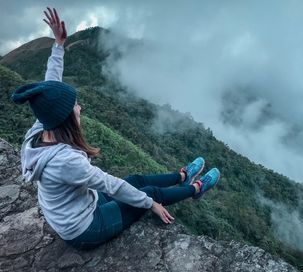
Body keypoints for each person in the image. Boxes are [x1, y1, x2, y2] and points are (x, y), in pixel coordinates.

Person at [11, 7, 220, 250]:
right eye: (74, 106)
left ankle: (182, 176)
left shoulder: (40, 130)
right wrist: (150, 204)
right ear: (66, 118)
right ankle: (195, 189)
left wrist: (59, 44)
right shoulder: (66, 160)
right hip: (85, 228)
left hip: (78, 206)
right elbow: (111, 185)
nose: (79, 108)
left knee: (135, 179)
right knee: (150, 193)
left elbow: (50, 86)